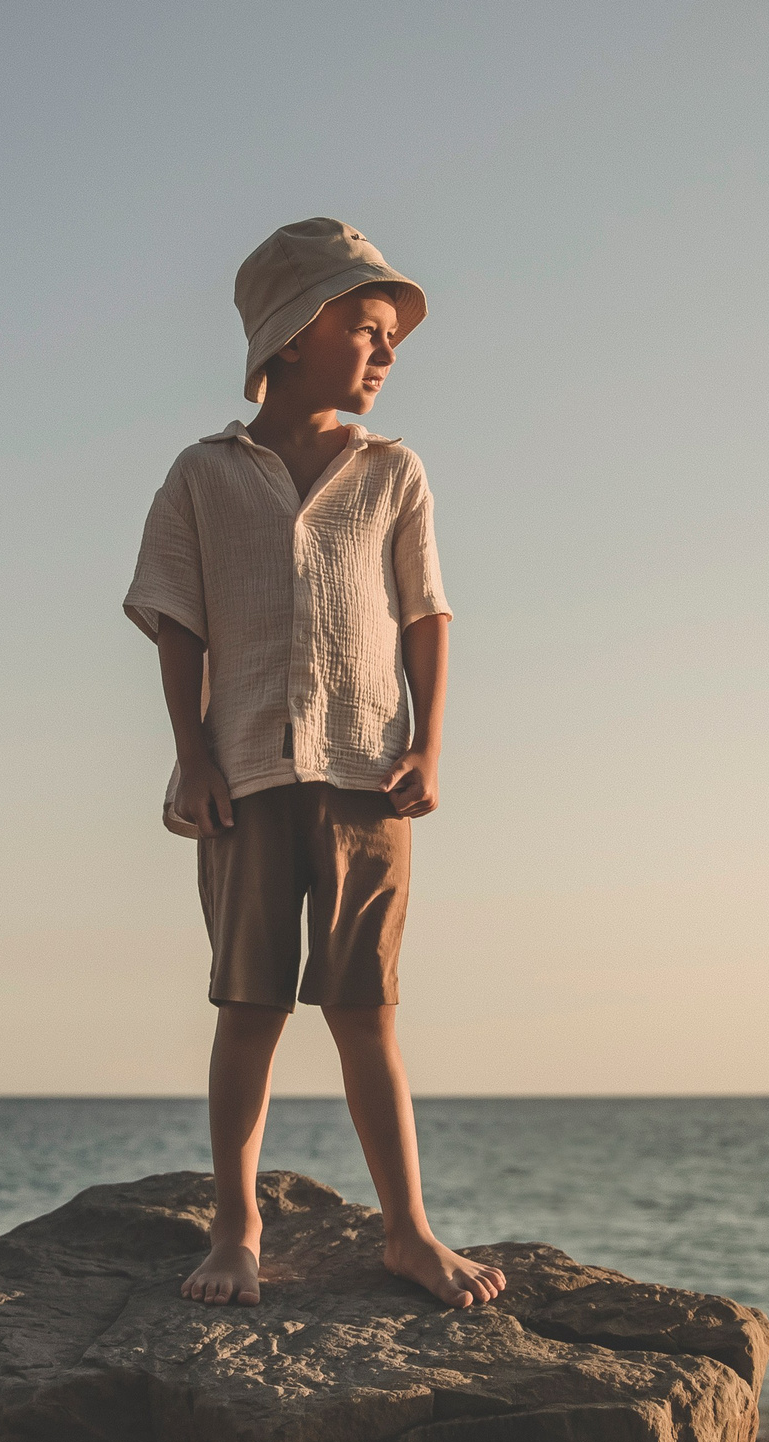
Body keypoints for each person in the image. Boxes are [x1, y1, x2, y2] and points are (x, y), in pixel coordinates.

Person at [122, 217, 506, 1311]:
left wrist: (429, 743)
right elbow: (178, 622)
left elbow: (425, 613)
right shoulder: (204, 475)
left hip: (367, 774)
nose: (385, 354)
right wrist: (189, 755)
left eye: (391, 338)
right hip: (245, 775)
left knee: (364, 1007)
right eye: (365, 330)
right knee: (247, 1006)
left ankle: (408, 1231)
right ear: (291, 336)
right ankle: (236, 1230)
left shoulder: (393, 472)